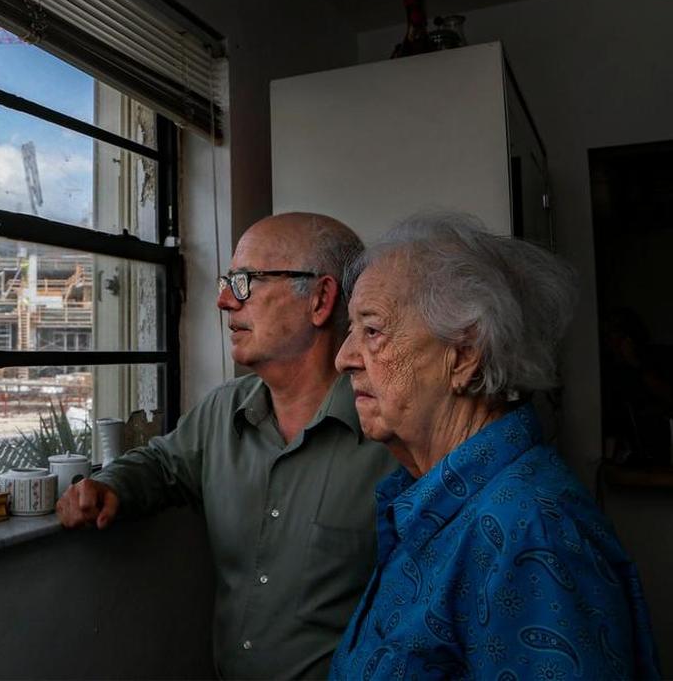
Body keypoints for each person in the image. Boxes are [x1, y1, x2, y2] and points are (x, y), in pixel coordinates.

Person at [57, 212, 397, 679]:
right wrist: (111, 487)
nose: (223, 301)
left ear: (320, 299)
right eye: (228, 281)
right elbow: (161, 463)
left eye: (246, 281)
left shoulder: (393, 436)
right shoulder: (223, 413)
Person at [329, 212, 661, 680]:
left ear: (464, 356)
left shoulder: (529, 530)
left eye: (373, 330)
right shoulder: (439, 501)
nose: (344, 357)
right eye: (351, 330)